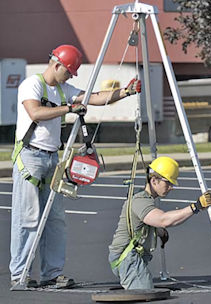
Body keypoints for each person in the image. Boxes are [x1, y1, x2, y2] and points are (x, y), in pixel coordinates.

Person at [10, 44, 141, 288]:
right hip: (30, 157)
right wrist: (69, 109)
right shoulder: (33, 84)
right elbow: (35, 112)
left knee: (55, 220)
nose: (70, 76)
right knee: (27, 218)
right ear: (56, 65)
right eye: (69, 72)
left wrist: (125, 92)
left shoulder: (63, 89)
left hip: (51, 159)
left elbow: (94, 98)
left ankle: (51, 274)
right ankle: (20, 274)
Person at [108, 156, 211, 290]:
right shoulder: (140, 201)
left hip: (131, 257)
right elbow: (163, 220)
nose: (171, 187)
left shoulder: (146, 199)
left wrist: (159, 232)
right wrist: (195, 207)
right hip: (126, 259)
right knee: (144, 293)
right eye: (167, 183)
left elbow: (148, 223)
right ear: (154, 181)